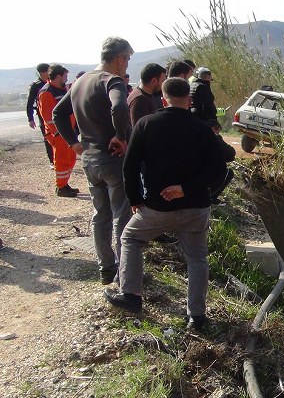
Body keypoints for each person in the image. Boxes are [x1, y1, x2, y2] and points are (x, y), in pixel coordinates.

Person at [104, 77, 226, 331]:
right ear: (189, 101)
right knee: (196, 259)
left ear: (163, 98)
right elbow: (219, 168)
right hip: (196, 208)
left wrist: (136, 200)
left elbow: (129, 167)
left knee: (131, 238)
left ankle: (131, 295)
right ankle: (197, 316)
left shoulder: (146, 124)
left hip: (158, 208)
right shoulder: (202, 128)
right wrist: (185, 189)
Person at [53, 36, 134, 285]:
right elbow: (119, 108)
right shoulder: (113, 81)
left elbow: (59, 113)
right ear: (119, 59)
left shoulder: (80, 82)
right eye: (128, 60)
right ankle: (125, 271)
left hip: (89, 159)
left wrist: (74, 142)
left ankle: (106, 268)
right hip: (113, 158)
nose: (128, 65)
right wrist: (122, 137)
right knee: (122, 216)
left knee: (101, 215)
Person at [37, 64, 78, 197]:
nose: (66, 79)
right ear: (58, 76)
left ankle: (64, 184)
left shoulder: (59, 89)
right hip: (59, 133)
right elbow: (48, 117)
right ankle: (60, 187)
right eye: (65, 76)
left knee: (70, 158)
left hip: (66, 131)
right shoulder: (47, 92)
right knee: (62, 160)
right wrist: (57, 132)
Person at [26, 63, 54, 167]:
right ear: (43, 72)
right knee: (47, 137)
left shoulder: (52, 82)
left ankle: (60, 156)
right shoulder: (36, 85)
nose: (50, 72)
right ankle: (52, 160)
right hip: (42, 114)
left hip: (54, 113)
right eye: (49, 70)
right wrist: (30, 118)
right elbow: (30, 102)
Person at [205, 120, 235, 205]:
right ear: (214, 129)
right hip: (204, 173)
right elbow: (230, 152)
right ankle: (210, 197)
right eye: (218, 132)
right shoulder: (213, 137)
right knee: (228, 172)